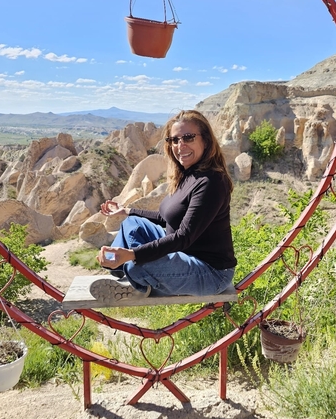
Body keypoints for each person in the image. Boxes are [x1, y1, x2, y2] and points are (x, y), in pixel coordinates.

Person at [89, 110, 237, 303]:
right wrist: (126, 211)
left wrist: (133, 254)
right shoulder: (187, 174)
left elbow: (183, 237)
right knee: (132, 223)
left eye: (188, 137)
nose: (180, 145)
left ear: (206, 141)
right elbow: (165, 218)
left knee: (137, 264)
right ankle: (121, 267)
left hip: (210, 272)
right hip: (184, 254)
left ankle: (137, 282)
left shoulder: (211, 181)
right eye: (174, 140)